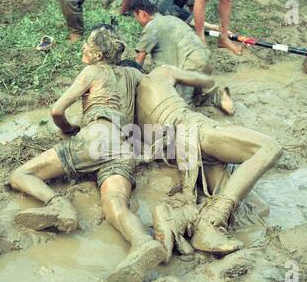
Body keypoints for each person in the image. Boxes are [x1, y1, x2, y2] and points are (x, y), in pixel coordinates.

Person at [9, 25, 166, 282]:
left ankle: (59, 206)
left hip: (95, 139)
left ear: (97, 55)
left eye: (87, 46)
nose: (83, 49)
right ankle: (142, 242)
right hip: (124, 148)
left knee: (20, 174)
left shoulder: (92, 71)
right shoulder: (133, 75)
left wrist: (69, 130)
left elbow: (56, 110)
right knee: (115, 204)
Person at [119, 59, 282, 257]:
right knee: (269, 148)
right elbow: (204, 80)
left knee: (239, 208)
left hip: (180, 154)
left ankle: (178, 217)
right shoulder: (159, 73)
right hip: (194, 129)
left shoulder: (128, 114)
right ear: (140, 72)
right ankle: (207, 221)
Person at [129, 0, 212, 104]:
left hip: (190, 65)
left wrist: (132, 84)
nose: (137, 21)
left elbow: (139, 61)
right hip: (204, 59)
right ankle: (213, 97)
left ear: (141, 13)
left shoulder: (151, 27)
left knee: (180, 104)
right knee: (198, 96)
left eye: (136, 17)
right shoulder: (171, 19)